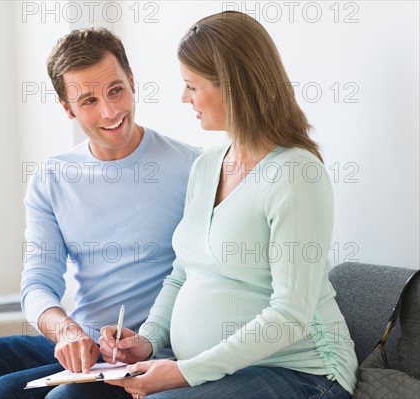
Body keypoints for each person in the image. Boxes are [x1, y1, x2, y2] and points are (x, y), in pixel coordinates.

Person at [0, 28, 201, 399]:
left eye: (116, 90)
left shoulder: (192, 166)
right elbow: (38, 283)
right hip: (79, 341)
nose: (109, 112)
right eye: (88, 101)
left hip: (149, 351)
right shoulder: (52, 177)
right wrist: (65, 331)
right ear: (66, 107)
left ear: (132, 82)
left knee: (6, 394)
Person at [99, 11, 358, 399]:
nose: (183, 98)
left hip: (304, 373)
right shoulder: (207, 165)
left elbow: (290, 316)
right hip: (215, 371)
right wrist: (148, 341)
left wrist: (185, 373)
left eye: (191, 85)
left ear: (233, 87)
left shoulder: (296, 174)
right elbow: (182, 273)